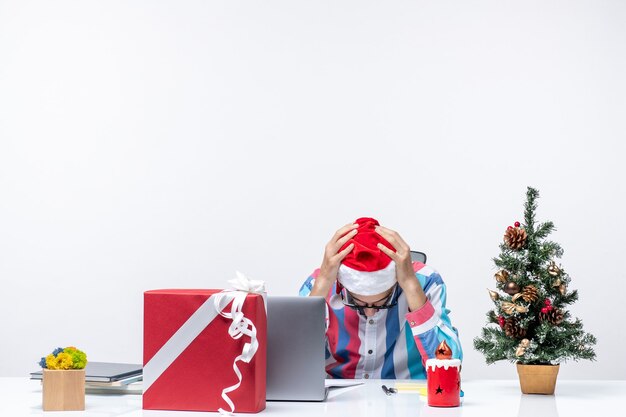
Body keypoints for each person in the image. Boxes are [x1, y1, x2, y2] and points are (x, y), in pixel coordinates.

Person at [299, 217, 462, 379]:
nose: (370, 313)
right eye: (357, 303)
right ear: (342, 284)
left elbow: (451, 366)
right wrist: (322, 286)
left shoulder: (426, 282)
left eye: (382, 303)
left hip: (409, 398)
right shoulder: (319, 285)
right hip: (339, 400)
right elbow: (296, 365)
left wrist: (411, 286)